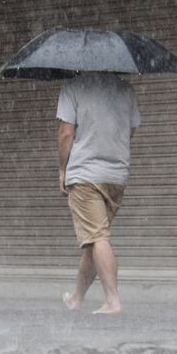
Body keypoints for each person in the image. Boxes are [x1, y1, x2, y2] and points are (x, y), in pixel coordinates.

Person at [57, 72, 140, 315]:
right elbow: (130, 130)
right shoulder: (126, 90)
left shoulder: (72, 87)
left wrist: (63, 168)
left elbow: (66, 133)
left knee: (97, 237)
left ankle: (113, 300)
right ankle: (77, 298)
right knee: (93, 240)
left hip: (85, 174)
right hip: (116, 175)